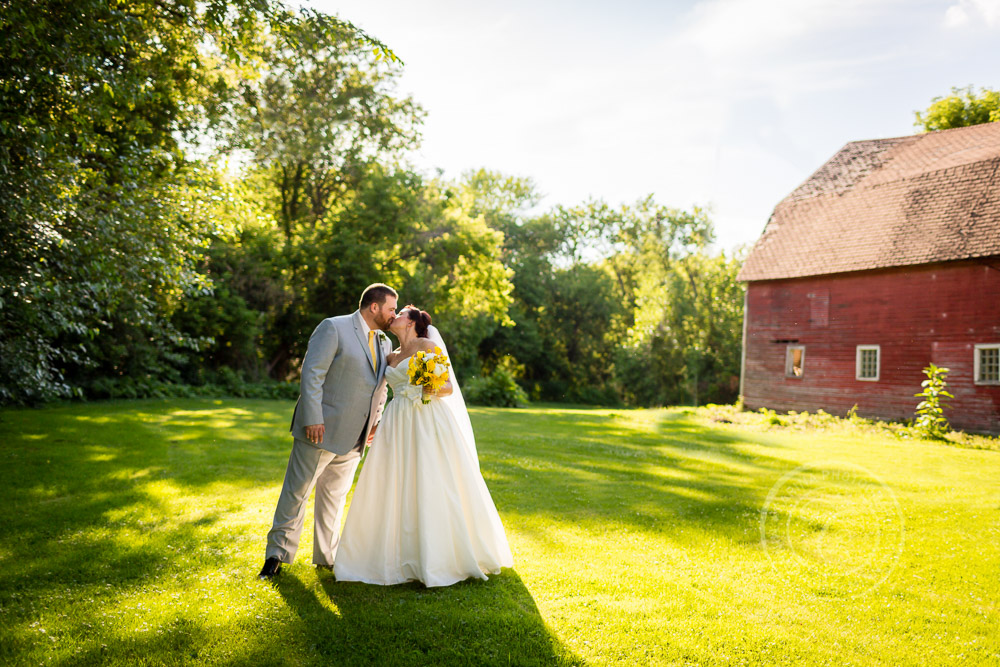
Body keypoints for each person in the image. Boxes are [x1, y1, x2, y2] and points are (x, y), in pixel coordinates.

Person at [334, 305, 513, 587]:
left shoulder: (428, 346)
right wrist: (376, 423)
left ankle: (438, 557)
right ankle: (389, 555)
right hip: (397, 421)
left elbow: (448, 388)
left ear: (412, 322)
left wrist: (428, 385)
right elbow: (382, 393)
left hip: (427, 420)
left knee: (431, 480)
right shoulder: (391, 355)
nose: (394, 316)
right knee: (393, 482)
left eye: (400, 313)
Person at [258, 284, 398, 580]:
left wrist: (375, 421)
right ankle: (275, 557)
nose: (393, 315)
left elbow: (380, 387)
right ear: (374, 307)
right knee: (296, 493)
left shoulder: (385, 343)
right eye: (390, 309)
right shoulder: (333, 328)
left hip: (356, 436)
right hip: (319, 430)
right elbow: (312, 375)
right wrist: (312, 417)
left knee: (334, 498)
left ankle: (327, 557)